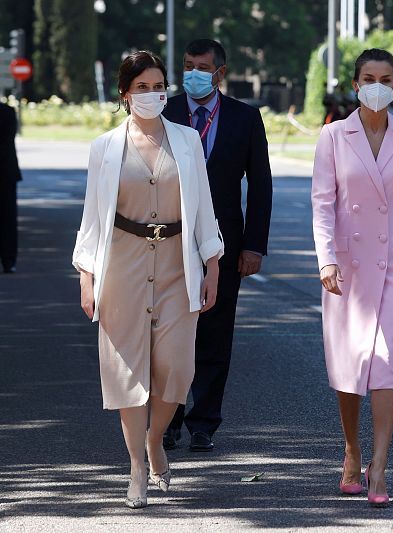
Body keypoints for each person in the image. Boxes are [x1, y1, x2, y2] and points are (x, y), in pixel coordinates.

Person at [72, 51, 223, 509]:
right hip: (123, 262)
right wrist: (86, 274)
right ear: (125, 94)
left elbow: (205, 208)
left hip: (178, 263)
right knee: (127, 369)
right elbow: (93, 218)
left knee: (175, 367)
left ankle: (156, 439)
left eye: (158, 86)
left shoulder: (187, 141)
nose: (152, 94)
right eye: (141, 87)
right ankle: (137, 465)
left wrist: (211, 262)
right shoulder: (105, 147)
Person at [311, 48, 393, 507]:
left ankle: (380, 464)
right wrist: (325, 258)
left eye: (385, 78)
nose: (376, 85)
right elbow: (323, 203)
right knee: (349, 362)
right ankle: (351, 449)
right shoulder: (333, 136)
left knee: (385, 358)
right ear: (355, 84)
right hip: (346, 264)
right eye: (368, 77)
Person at [162, 39, 273, 452]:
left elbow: (260, 184)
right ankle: (168, 419)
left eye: (203, 67)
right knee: (170, 333)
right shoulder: (166, 111)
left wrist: (254, 246)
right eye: (188, 65)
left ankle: (204, 422)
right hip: (169, 239)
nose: (194, 73)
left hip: (225, 243)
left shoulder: (245, 118)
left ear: (220, 73)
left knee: (214, 331)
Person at [0, 102, 21, 273]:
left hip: (6, 172)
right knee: (8, 217)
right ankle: (8, 259)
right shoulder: (8, 111)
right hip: (6, 171)